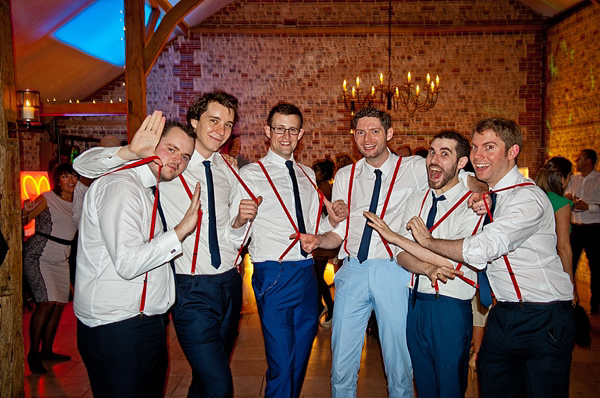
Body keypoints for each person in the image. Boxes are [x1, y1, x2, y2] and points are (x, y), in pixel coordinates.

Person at [74, 92, 259, 398]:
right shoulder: (159, 168)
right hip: (185, 290)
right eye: (213, 120)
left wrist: (239, 226)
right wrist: (130, 152)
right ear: (194, 122)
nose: (221, 130)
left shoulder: (227, 170)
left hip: (224, 286)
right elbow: (89, 167)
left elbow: (227, 235)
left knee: (206, 376)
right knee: (219, 384)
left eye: (228, 124)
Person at [407, 117, 575, 398]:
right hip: (503, 312)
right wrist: (478, 188)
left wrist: (427, 240)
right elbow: (456, 172)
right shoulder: (492, 194)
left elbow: (482, 250)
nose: (478, 156)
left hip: (544, 313)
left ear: (512, 152)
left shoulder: (529, 198)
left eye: (489, 148)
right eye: (474, 147)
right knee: (492, 383)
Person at [298, 107, 427, 398]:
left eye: (374, 131)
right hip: (353, 270)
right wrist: (319, 238)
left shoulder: (414, 168)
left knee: (399, 362)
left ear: (389, 134)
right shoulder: (345, 175)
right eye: (360, 132)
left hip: (394, 270)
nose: (366, 139)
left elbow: (455, 176)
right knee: (341, 357)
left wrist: (482, 194)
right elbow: (339, 233)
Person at [75, 118, 199, 398]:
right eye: (171, 148)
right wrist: (180, 232)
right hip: (119, 328)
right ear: (152, 144)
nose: (178, 160)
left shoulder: (146, 186)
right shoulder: (122, 186)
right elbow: (129, 263)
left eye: (185, 155)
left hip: (141, 324)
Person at [230, 103, 346, 398]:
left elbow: (312, 224)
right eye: (279, 128)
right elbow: (235, 231)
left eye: (292, 129)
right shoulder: (250, 174)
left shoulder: (308, 175)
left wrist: (329, 221)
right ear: (268, 131)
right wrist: (240, 219)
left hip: (307, 273)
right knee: (282, 362)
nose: (286, 135)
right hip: (274, 273)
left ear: (301, 133)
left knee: (299, 360)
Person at [364, 130, 480, 397]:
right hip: (415, 303)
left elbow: (455, 263)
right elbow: (401, 255)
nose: (434, 160)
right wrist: (427, 267)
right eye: (431, 152)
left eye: (444, 154)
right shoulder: (417, 199)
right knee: (424, 385)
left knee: (450, 386)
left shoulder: (472, 205)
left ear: (462, 163)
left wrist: (398, 238)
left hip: (450, 307)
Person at [23, 163, 79, 374]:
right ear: (58, 180)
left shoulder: (77, 203)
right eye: (65, 177)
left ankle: (47, 350)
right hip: (40, 255)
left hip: (62, 256)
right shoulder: (48, 198)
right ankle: (33, 354)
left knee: (58, 304)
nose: (71, 180)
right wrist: (25, 212)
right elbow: (24, 219)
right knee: (46, 304)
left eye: (73, 176)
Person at [535, 156, 577, 297]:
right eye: (570, 175)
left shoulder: (534, 196)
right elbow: (563, 247)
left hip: (532, 265)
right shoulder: (560, 203)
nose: (570, 179)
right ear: (561, 178)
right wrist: (570, 283)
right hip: (552, 268)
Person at [565, 149, 600, 314]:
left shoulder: (599, 180)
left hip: (594, 228)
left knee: (596, 267)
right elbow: (566, 194)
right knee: (569, 264)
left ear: (589, 162)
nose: (576, 161)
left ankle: (595, 304)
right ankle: (571, 299)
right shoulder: (574, 179)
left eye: (580, 159)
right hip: (576, 228)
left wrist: (588, 207)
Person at [312, 159, 336, 328]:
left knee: (317, 276)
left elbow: (319, 210)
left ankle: (330, 308)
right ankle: (322, 306)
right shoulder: (323, 186)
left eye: (317, 171)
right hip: (321, 234)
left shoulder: (324, 187)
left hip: (323, 234)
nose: (315, 174)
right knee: (317, 276)